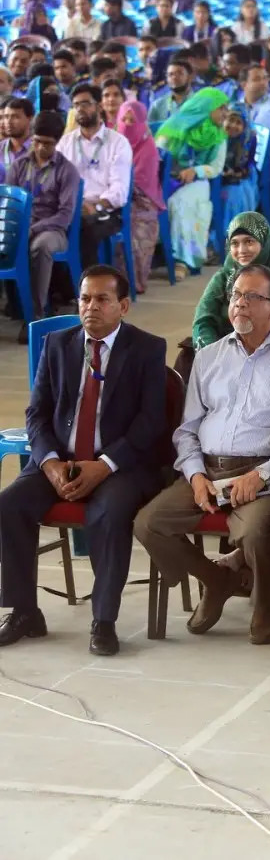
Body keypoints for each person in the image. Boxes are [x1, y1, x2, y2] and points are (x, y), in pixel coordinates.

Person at [135, 265, 270, 644]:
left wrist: (262, 475)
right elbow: (187, 430)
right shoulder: (209, 357)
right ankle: (216, 579)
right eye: (236, 296)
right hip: (207, 469)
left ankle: (265, 600)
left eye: (252, 297)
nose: (240, 304)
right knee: (149, 523)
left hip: (261, 474)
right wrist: (196, 475)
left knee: (255, 532)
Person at [0, 266, 166, 655]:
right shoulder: (58, 345)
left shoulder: (146, 348)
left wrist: (105, 464)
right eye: (85, 298)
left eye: (102, 299)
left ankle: (103, 620)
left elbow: (151, 422)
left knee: (108, 513)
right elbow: (37, 414)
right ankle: (24, 611)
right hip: (60, 460)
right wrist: (50, 464)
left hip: (120, 465)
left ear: (123, 305)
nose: (91, 307)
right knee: (9, 505)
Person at [5, 110, 78, 329]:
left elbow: (64, 215)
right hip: (20, 226)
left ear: (57, 142)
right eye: (36, 141)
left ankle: (35, 316)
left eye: (47, 144)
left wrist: (34, 228)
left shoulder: (67, 170)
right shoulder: (19, 165)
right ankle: (14, 306)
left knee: (40, 247)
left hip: (52, 229)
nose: (40, 148)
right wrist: (20, 228)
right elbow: (9, 204)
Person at [192, 213, 270, 351]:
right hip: (221, 352)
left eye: (249, 241)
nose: (242, 250)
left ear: (265, 244)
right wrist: (213, 354)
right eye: (235, 243)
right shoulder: (223, 277)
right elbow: (203, 321)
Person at [57, 82, 130, 272]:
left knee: (84, 229)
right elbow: (56, 181)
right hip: (71, 207)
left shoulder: (118, 142)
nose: (80, 109)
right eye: (76, 105)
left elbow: (119, 190)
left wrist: (96, 206)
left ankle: (89, 285)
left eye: (85, 104)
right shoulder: (65, 142)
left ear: (98, 106)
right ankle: (60, 286)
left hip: (106, 211)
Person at [156, 88, 229, 271]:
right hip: (167, 178)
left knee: (179, 203)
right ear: (206, 107)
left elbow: (216, 167)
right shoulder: (175, 125)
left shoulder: (218, 135)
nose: (225, 114)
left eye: (226, 109)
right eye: (221, 108)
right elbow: (159, 155)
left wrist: (195, 170)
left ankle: (184, 260)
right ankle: (161, 253)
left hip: (198, 180)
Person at [112, 99, 162, 294]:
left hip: (141, 201)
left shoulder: (148, 148)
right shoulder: (113, 144)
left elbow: (140, 183)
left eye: (132, 121)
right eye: (123, 119)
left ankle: (132, 282)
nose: (127, 125)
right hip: (116, 198)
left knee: (133, 227)